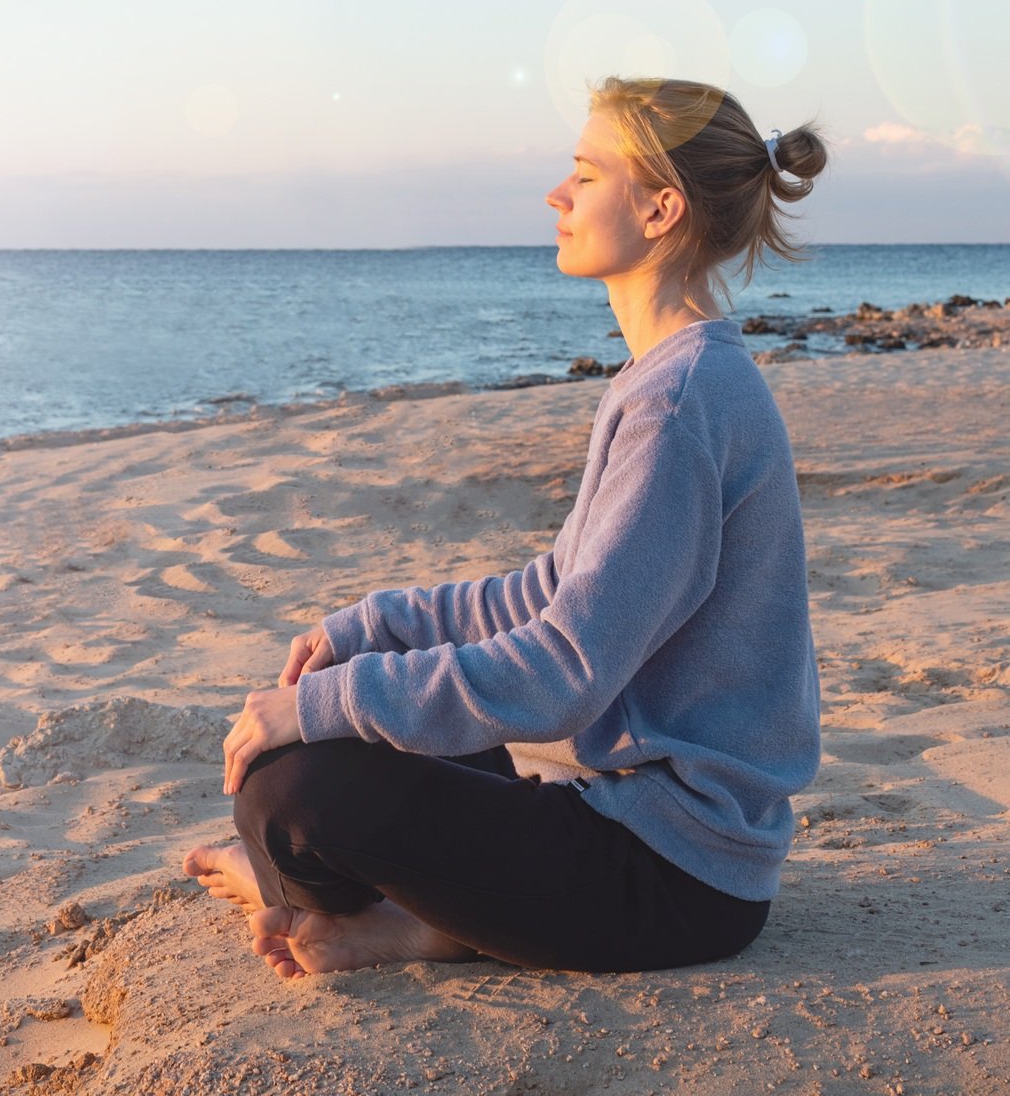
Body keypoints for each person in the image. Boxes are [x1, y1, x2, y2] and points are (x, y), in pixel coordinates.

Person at [184, 76, 829, 980]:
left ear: (661, 208)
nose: (557, 196)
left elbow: (564, 670)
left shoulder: (680, 405)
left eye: (585, 175)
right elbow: (551, 590)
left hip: (675, 877)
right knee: (323, 736)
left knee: (294, 787)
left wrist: (322, 704)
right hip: (630, 827)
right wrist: (373, 628)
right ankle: (423, 924)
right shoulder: (670, 378)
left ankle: (359, 908)